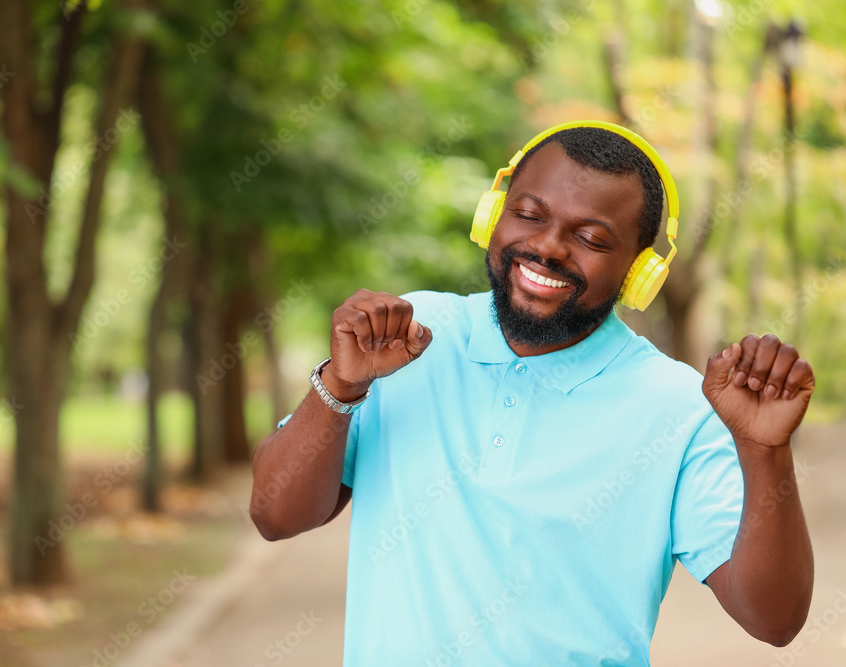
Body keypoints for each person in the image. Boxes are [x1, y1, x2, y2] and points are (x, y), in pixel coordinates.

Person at [249, 121, 815, 666]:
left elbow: (775, 619)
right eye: (527, 214)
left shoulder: (680, 407)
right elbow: (275, 515)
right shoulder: (406, 339)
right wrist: (341, 386)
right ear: (492, 216)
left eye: (591, 238)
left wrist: (765, 452)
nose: (547, 247)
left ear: (640, 271)